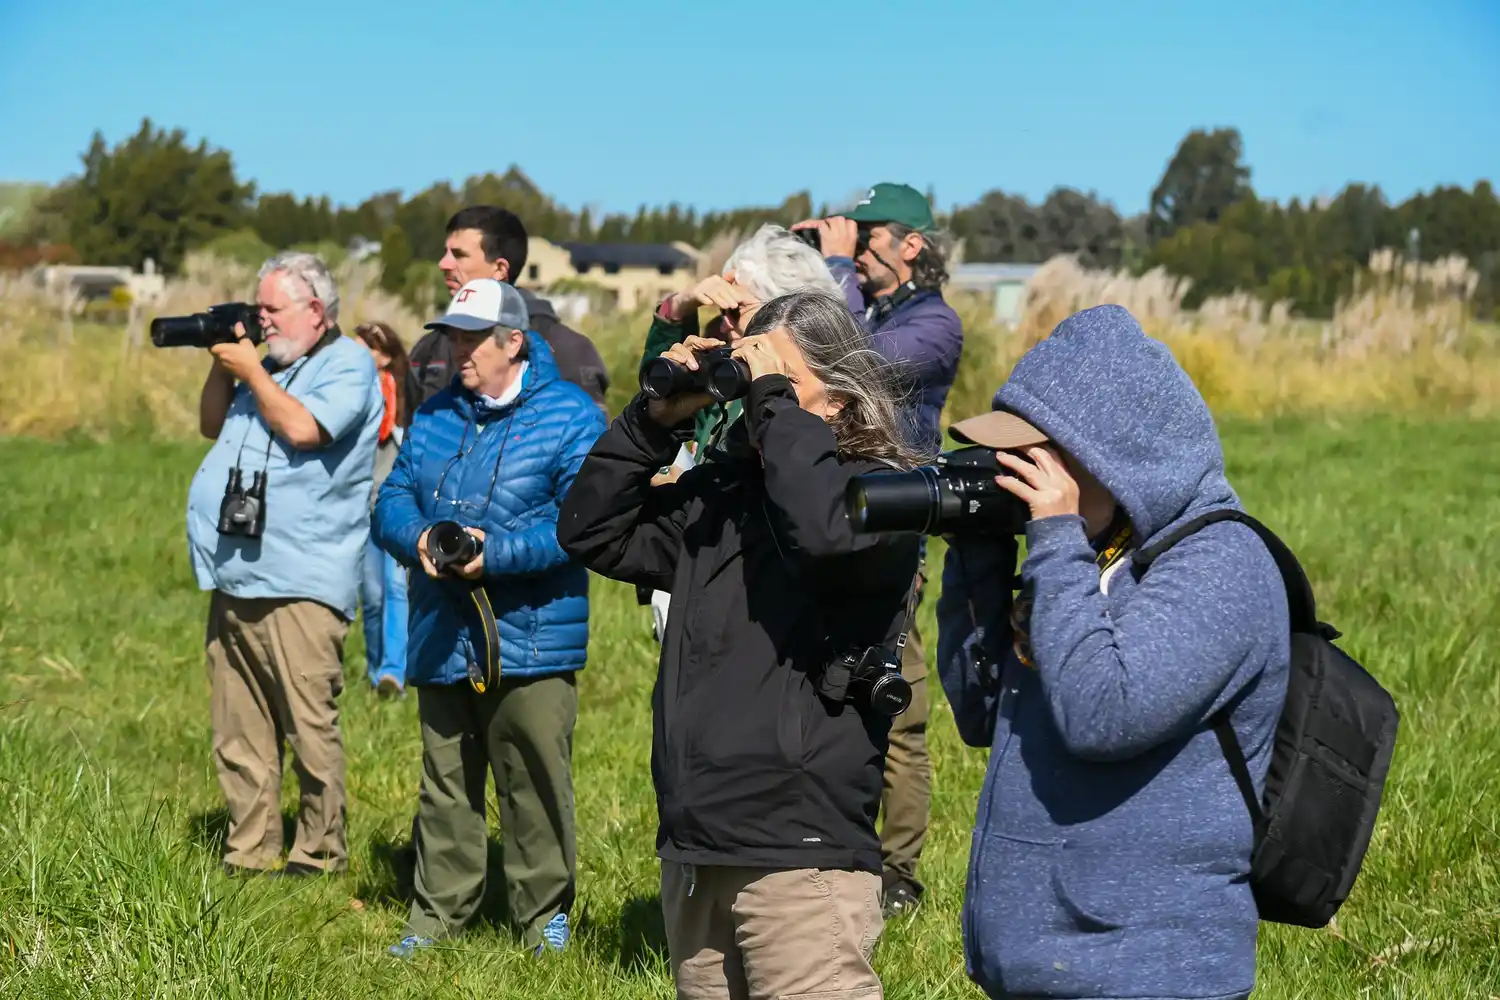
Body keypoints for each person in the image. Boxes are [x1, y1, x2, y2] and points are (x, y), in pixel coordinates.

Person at [558, 290, 926, 1000]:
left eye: (781, 381)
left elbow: (821, 529)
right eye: (753, 381)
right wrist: (651, 423)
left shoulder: (883, 493)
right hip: (700, 847)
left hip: (801, 854)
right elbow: (592, 533)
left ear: (841, 401)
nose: (761, 400)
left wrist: (770, 404)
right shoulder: (725, 496)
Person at [935, 304, 1291, 1000]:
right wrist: (979, 560)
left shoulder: (1223, 563)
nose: (1016, 471)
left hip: (1149, 972)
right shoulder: (1084, 557)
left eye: (1038, 456)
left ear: (1118, 456)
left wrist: (1055, 535)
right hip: (1043, 968)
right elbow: (981, 714)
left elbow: (1106, 713)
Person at [371, 278, 606, 959]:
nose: (457, 350)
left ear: (514, 339)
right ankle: (437, 915)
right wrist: (417, 539)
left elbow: (581, 527)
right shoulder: (437, 411)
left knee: (533, 777)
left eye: (472, 337)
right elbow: (392, 497)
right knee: (445, 781)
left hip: (531, 634)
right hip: (442, 629)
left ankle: (543, 919)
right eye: (452, 335)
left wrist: (494, 554)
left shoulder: (569, 415)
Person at [187, 250, 383, 877]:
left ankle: (319, 851)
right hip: (238, 569)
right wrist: (228, 365)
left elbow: (304, 430)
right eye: (259, 307)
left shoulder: (347, 363)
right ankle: (251, 848)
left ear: (316, 311)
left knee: (307, 724)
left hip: (304, 575)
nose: (262, 320)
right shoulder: (264, 367)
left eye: (272, 309)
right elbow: (208, 423)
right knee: (238, 724)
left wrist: (253, 372)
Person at [797, 182, 964, 914]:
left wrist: (832, 273)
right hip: (825, 516)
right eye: (849, 240)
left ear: (912, 245)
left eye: (864, 240)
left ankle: (898, 872)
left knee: (896, 704)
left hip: (894, 534)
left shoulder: (935, 325)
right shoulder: (872, 299)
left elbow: (853, 363)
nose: (855, 252)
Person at [636, 223, 843, 459]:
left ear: (785, 310)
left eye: (735, 310)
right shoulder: (729, 371)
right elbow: (657, 400)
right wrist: (678, 307)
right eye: (720, 311)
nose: (724, 324)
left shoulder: (810, 387)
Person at [408, 205, 610, 410]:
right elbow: (409, 429)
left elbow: (589, 435)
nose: (444, 264)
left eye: (459, 255)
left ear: (500, 269)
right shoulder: (429, 349)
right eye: (445, 253)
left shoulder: (568, 350)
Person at [354, 321, 415, 697]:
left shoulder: (406, 396)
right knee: (372, 594)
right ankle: (376, 669)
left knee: (396, 588)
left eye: (367, 348)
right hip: (359, 502)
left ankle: (393, 672)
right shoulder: (348, 394)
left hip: (395, 504)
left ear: (386, 355)